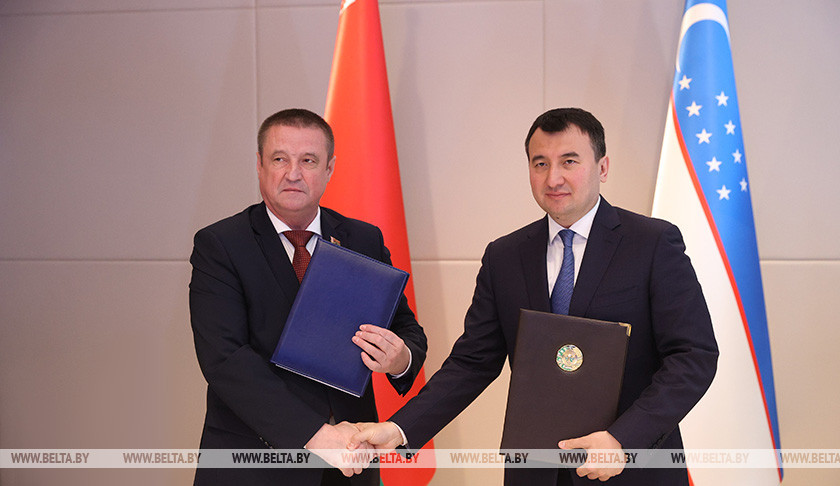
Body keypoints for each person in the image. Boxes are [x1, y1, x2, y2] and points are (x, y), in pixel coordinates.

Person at [348, 107, 718, 485]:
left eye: (569, 161)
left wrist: (625, 440)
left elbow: (694, 356)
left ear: (603, 167)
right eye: (540, 163)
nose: (553, 178)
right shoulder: (505, 257)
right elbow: (472, 364)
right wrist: (399, 429)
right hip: (534, 473)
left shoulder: (652, 243)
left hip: (630, 471)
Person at [189, 108, 427, 486]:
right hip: (254, 467)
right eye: (279, 159)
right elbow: (225, 358)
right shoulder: (220, 245)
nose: (293, 173)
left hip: (350, 465)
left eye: (308, 161)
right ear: (259, 165)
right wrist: (316, 435)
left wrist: (400, 359)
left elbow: (406, 329)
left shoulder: (363, 239)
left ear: (329, 169)